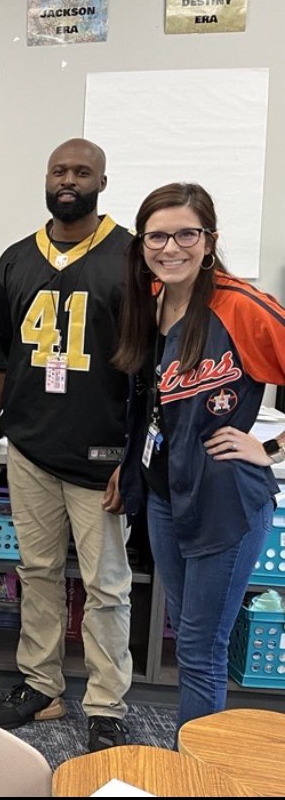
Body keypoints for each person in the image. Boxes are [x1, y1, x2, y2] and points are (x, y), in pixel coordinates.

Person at [0, 138, 133, 753]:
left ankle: (107, 704)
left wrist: (134, 457)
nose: (69, 180)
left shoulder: (129, 259)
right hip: (32, 447)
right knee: (36, 572)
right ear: (46, 177)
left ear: (102, 180)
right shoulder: (15, 260)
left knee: (106, 588)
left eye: (82, 172)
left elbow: (145, 370)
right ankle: (41, 685)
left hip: (103, 457)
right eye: (60, 170)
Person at [114, 182, 285, 731]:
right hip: (166, 494)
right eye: (156, 236)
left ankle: (196, 775)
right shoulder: (153, 300)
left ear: (209, 242)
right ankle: (193, 763)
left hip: (225, 500)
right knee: (186, 634)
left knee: (200, 647)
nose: (170, 247)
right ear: (142, 244)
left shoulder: (240, 305)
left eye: (185, 234)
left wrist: (271, 448)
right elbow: (152, 406)